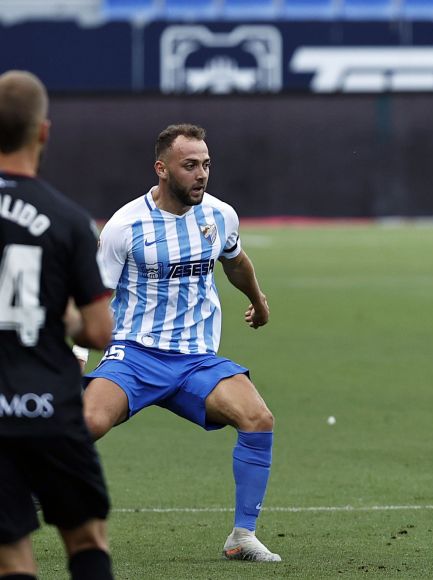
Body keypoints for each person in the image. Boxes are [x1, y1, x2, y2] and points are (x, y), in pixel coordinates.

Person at [81, 124, 281, 562]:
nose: (201, 174)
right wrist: (75, 359)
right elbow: (92, 299)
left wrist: (258, 300)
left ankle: (242, 537)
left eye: (206, 165)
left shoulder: (220, 215)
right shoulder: (125, 225)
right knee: (85, 424)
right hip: (134, 355)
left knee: (258, 418)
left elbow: (235, 261)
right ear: (162, 168)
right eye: (190, 165)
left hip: (195, 361)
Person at [0, 70, 115, 580]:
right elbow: (98, 332)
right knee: (86, 538)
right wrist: (62, 314)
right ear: (42, 132)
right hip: (50, 406)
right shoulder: (68, 219)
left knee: (12, 557)